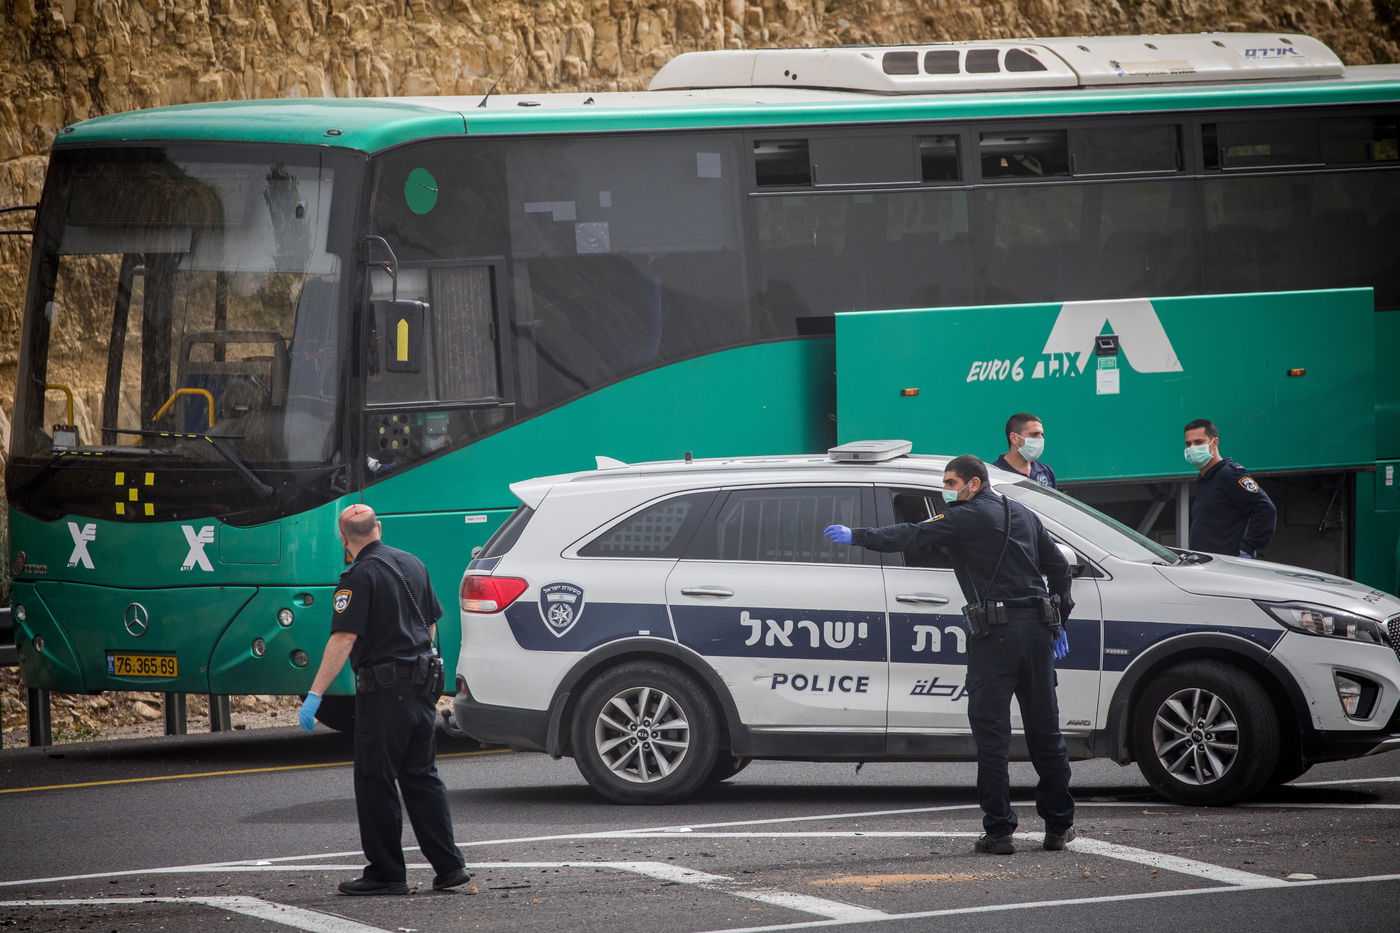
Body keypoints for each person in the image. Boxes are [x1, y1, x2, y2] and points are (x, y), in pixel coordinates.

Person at [823, 455, 1075, 854]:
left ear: (973, 484)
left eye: (951, 481)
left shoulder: (966, 515)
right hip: (1039, 634)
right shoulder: (1022, 512)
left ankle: (999, 832)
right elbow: (1059, 568)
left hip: (997, 638)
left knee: (992, 738)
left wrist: (857, 536)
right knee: (1046, 734)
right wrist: (1060, 617)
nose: (947, 489)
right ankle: (1059, 827)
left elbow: (909, 534)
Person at [299, 504, 470, 896]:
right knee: (421, 777)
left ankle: (386, 873)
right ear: (379, 528)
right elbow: (430, 622)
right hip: (422, 683)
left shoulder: (357, 577)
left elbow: (343, 639)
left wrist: (315, 694)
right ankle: (449, 867)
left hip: (385, 689)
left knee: (375, 779)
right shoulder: (412, 562)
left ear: (343, 539)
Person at [1183, 419, 1277, 558]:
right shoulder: (1206, 479)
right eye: (1188, 444)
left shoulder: (1230, 474)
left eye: (1198, 442)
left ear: (1214, 443)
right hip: (1208, 564)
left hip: (1227, 565)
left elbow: (1265, 508)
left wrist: (1247, 548)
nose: (1192, 448)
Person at [992, 413, 1056, 489]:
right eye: (1034, 434)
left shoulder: (1045, 471)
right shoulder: (994, 474)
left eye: (1042, 435)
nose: (1040, 439)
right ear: (1014, 438)